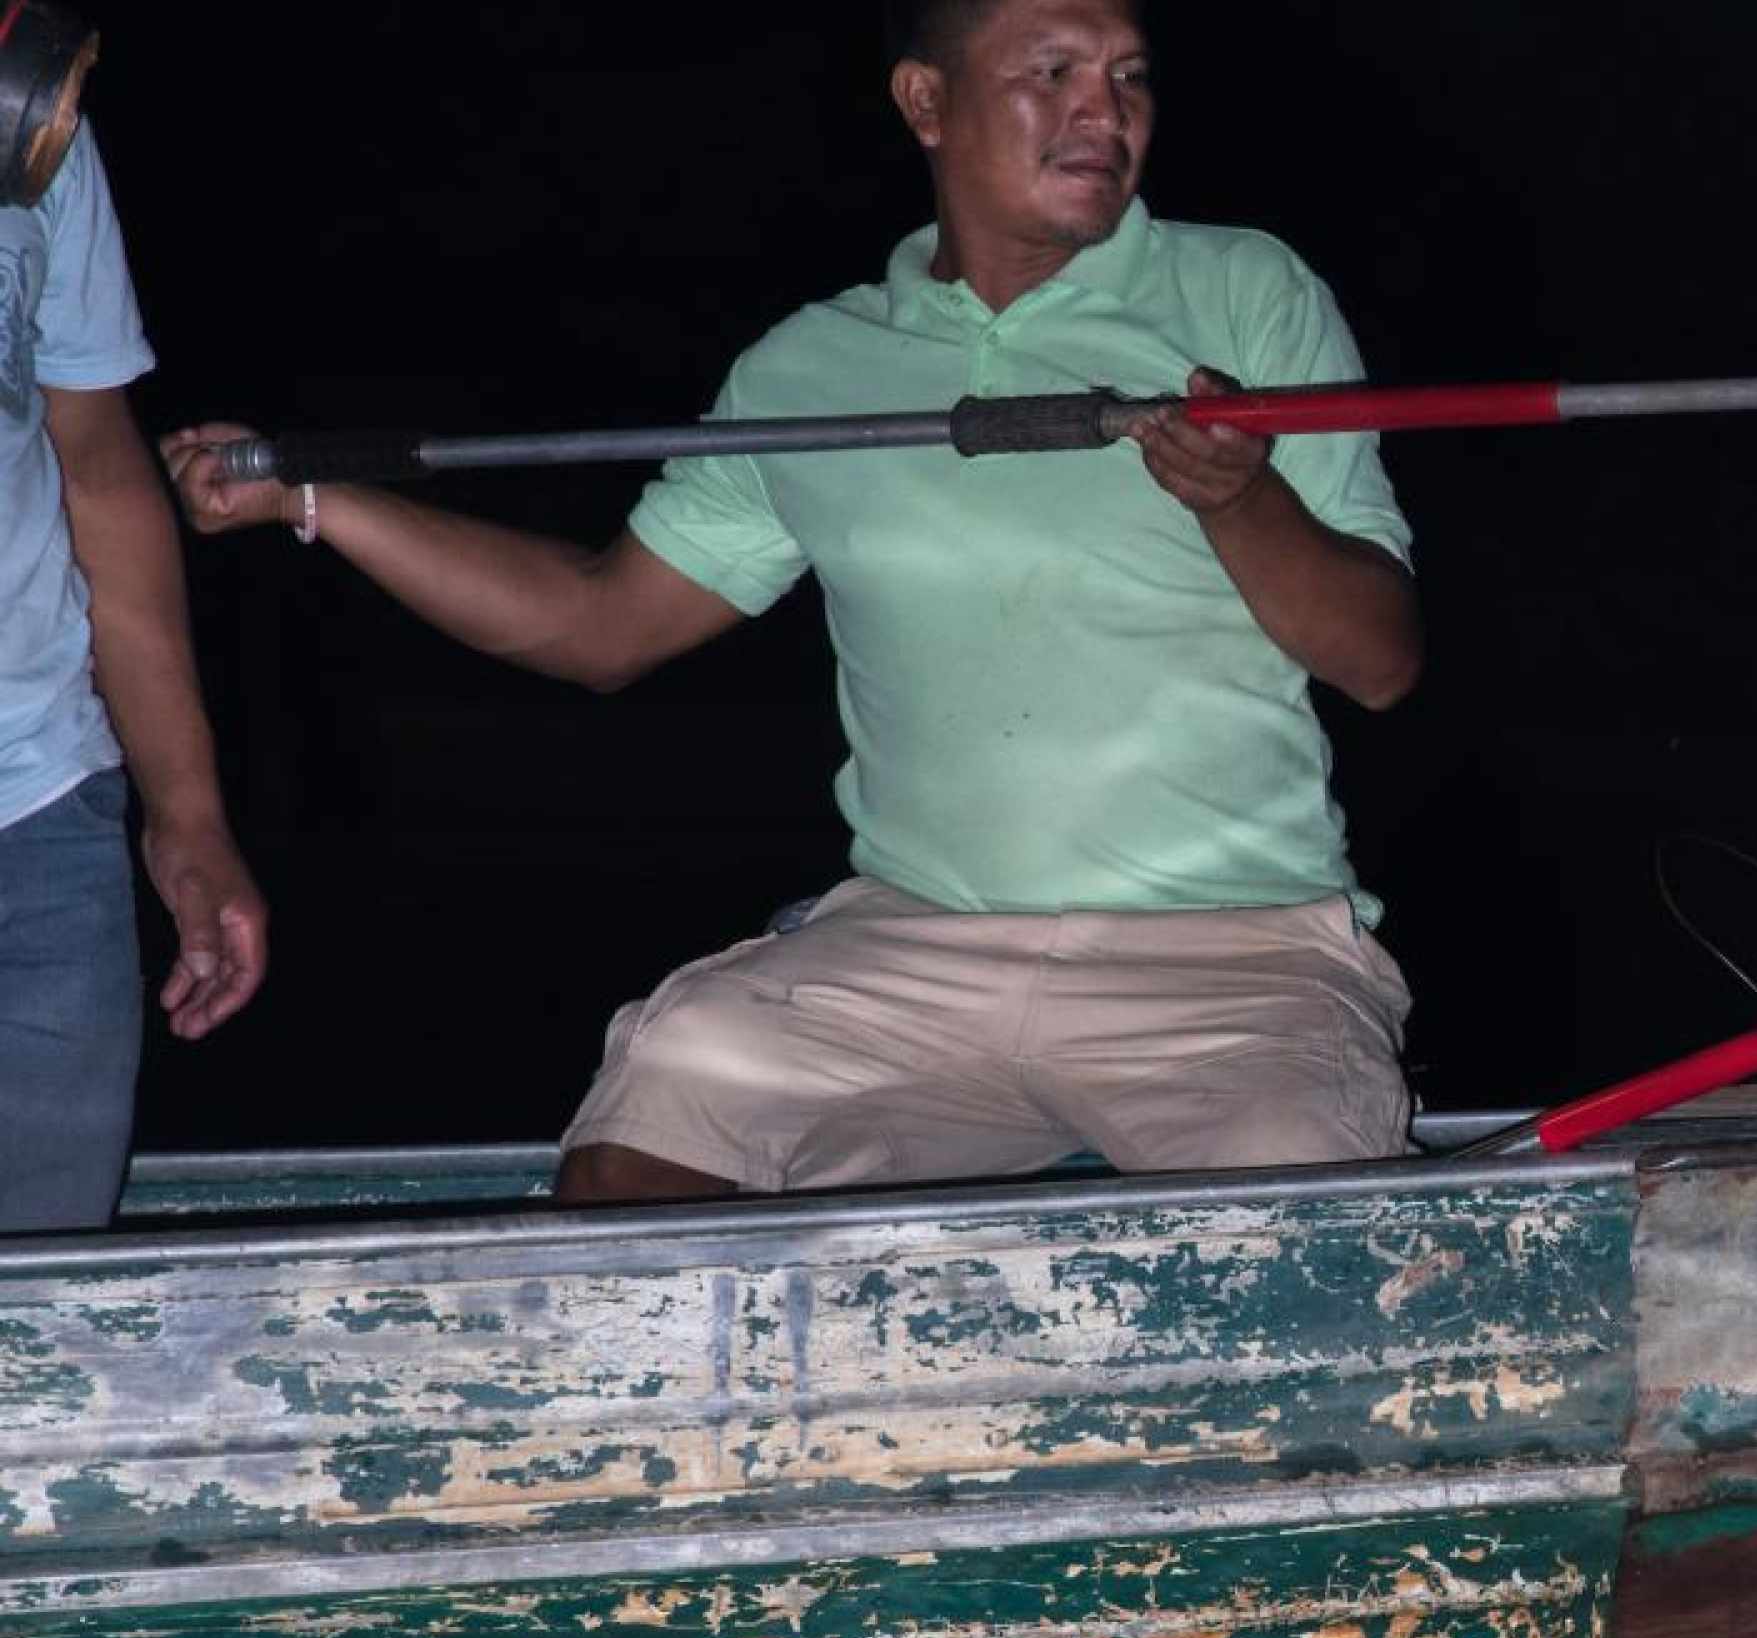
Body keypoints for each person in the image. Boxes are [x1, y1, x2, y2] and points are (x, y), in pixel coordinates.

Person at [161, 0, 1418, 1203]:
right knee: (654, 1125)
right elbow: (601, 624)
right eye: (1051, 72)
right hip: (915, 951)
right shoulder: (813, 369)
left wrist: (1236, 498)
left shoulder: (1249, 294)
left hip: (1232, 961)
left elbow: (1378, 659)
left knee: (1299, 1213)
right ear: (925, 101)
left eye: (1129, 76)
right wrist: (315, 502)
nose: (1104, 109)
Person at [0, 109, 269, 1234]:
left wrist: (188, 814)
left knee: (41, 1352)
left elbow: (98, 465)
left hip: (40, 828)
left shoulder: (26, 107)